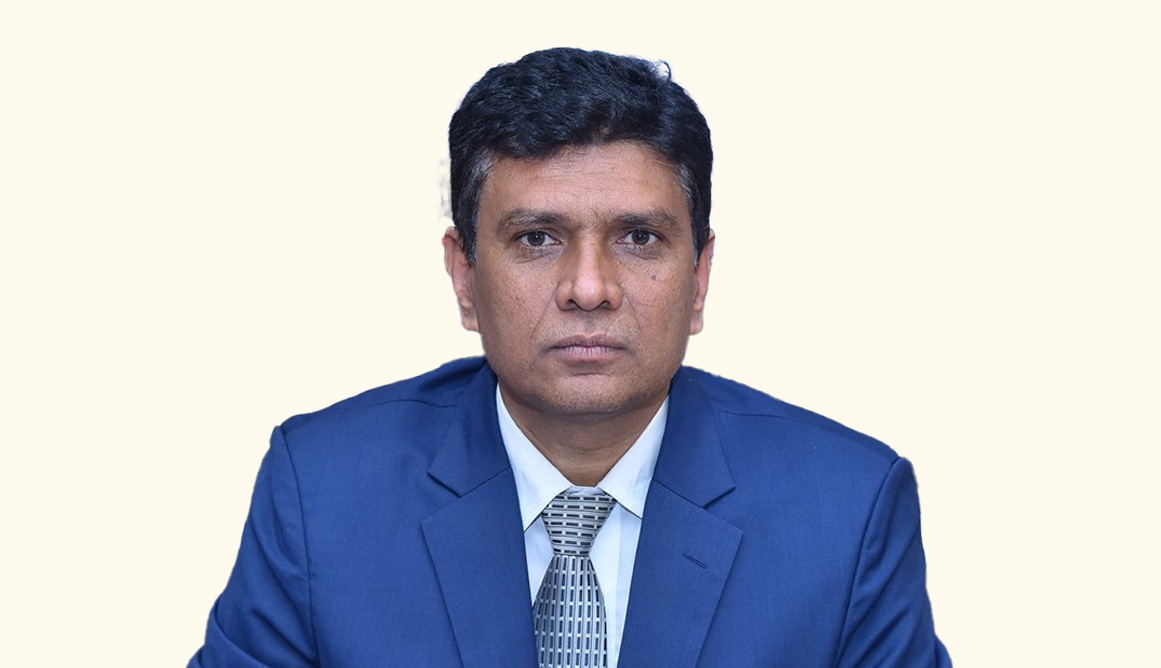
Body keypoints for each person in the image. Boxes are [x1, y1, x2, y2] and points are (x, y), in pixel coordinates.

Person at [188, 47, 951, 668]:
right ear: (464, 275)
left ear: (699, 277)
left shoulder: (846, 509)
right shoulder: (321, 491)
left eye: (639, 238)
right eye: (537, 239)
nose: (589, 288)